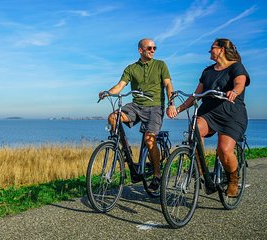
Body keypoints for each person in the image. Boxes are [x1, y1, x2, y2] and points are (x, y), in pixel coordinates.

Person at [172, 38, 250, 197]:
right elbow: (195, 95)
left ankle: (233, 179)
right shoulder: (207, 71)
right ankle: (201, 170)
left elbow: (240, 83)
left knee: (224, 150)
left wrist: (234, 91)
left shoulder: (236, 67)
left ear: (221, 49)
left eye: (212, 48)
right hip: (208, 112)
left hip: (231, 113)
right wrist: (178, 109)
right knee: (195, 128)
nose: (210, 51)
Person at [99, 38, 177, 192]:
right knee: (113, 117)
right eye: (149, 48)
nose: (153, 50)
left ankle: (157, 175)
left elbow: (168, 84)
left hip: (155, 107)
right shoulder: (131, 68)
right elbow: (120, 85)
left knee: (149, 141)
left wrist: (171, 103)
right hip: (136, 106)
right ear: (140, 50)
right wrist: (108, 92)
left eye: (155, 48)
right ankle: (123, 152)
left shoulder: (160, 65)